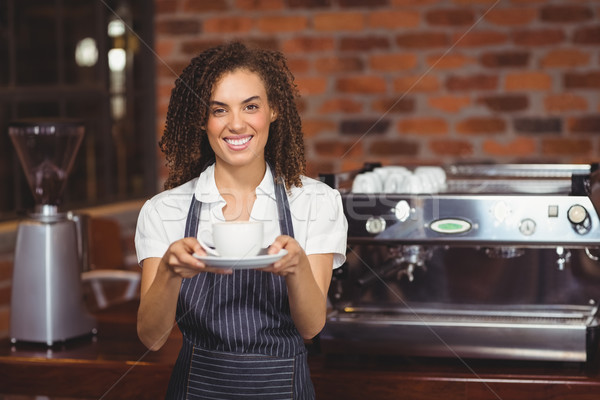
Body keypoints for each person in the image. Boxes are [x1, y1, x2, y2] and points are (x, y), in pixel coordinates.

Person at [135, 41, 348, 399]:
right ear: (201, 120)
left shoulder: (317, 202)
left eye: (251, 106)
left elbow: (311, 328)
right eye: (219, 110)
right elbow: (152, 339)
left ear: (274, 110)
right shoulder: (163, 210)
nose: (236, 124)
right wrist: (169, 272)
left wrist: (296, 268)